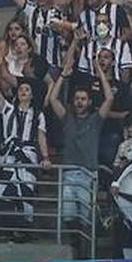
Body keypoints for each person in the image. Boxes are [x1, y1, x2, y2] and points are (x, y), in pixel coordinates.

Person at [46, 56, 113, 230]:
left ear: (89, 102)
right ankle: (76, 249)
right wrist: (63, 76)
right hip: (68, 173)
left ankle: (86, 250)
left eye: (83, 99)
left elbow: (109, 99)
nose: (79, 102)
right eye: (77, 99)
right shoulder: (67, 118)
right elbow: (53, 99)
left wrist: (99, 72)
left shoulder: (96, 119)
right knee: (68, 216)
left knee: (85, 218)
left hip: (88, 173)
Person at [0, 65, 51, 242]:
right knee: (5, 194)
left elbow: (41, 136)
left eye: (27, 89)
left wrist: (45, 157)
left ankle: (24, 232)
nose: (24, 91)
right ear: (17, 94)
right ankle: (11, 230)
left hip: (28, 155)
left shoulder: (38, 114)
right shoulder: (8, 109)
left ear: (32, 95)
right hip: (10, 155)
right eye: (21, 89)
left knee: (26, 193)